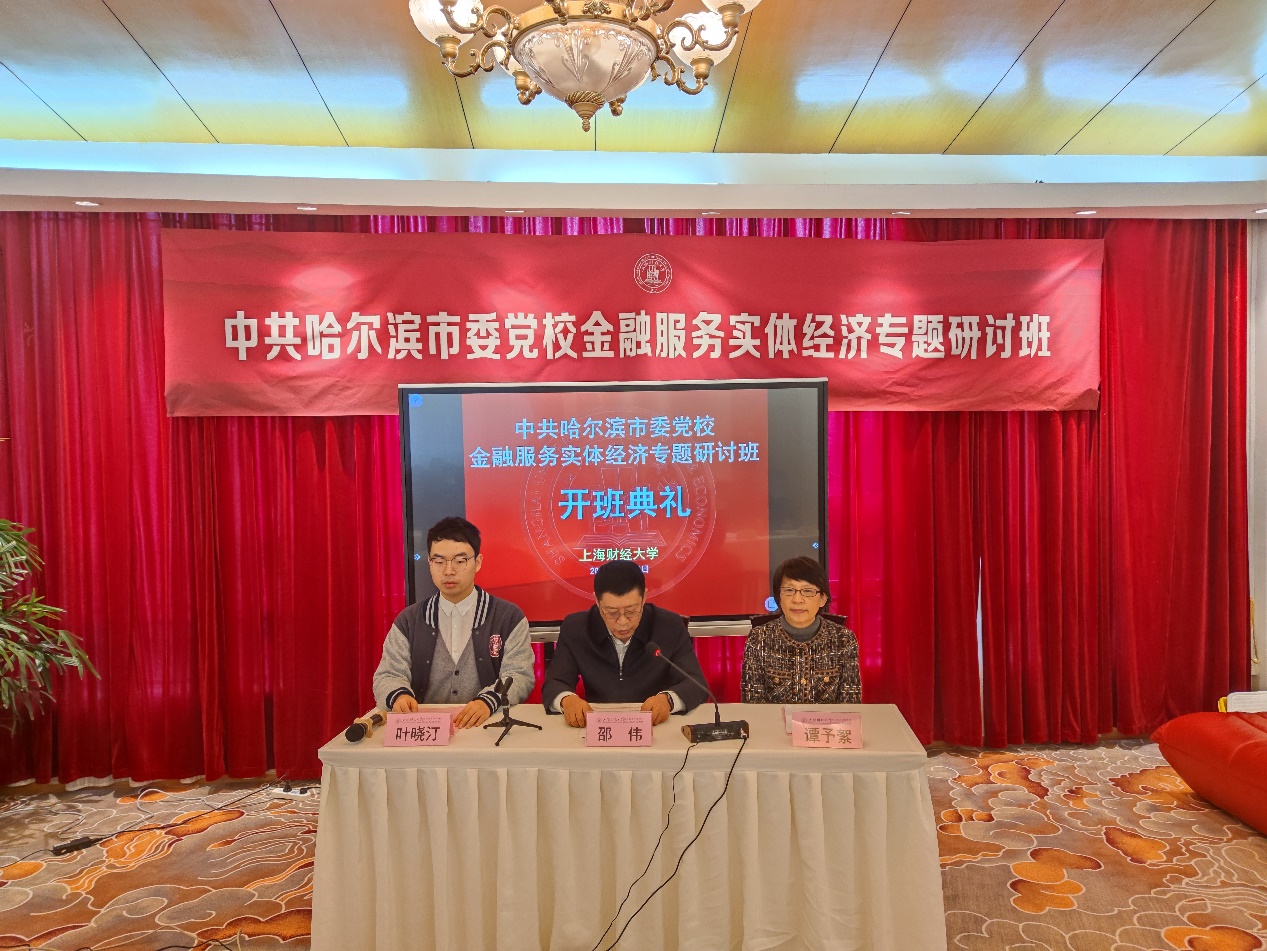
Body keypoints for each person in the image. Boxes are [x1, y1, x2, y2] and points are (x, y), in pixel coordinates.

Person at [372, 516, 534, 728]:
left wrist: (488, 701)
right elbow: (388, 674)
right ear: (430, 564)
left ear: (477, 562)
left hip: (487, 728)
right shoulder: (409, 620)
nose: (449, 571)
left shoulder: (508, 617)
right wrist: (399, 695)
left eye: (460, 561)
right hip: (426, 730)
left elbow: (520, 674)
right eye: (439, 562)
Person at [542, 560, 708, 727]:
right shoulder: (576, 628)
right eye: (612, 612)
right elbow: (554, 683)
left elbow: (696, 684)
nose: (622, 622)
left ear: (644, 597)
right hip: (597, 727)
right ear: (597, 602)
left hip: (656, 727)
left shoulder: (669, 625)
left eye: (631, 611)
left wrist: (668, 700)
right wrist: (567, 700)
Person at [741, 556, 861, 704]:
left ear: (823, 599)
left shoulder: (844, 639)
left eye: (808, 591)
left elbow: (850, 704)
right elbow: (753, 706)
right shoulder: (758, 639)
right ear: (779, 597)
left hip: (826, 720)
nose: (797, 600)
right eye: (789, 590)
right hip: (775, 720)